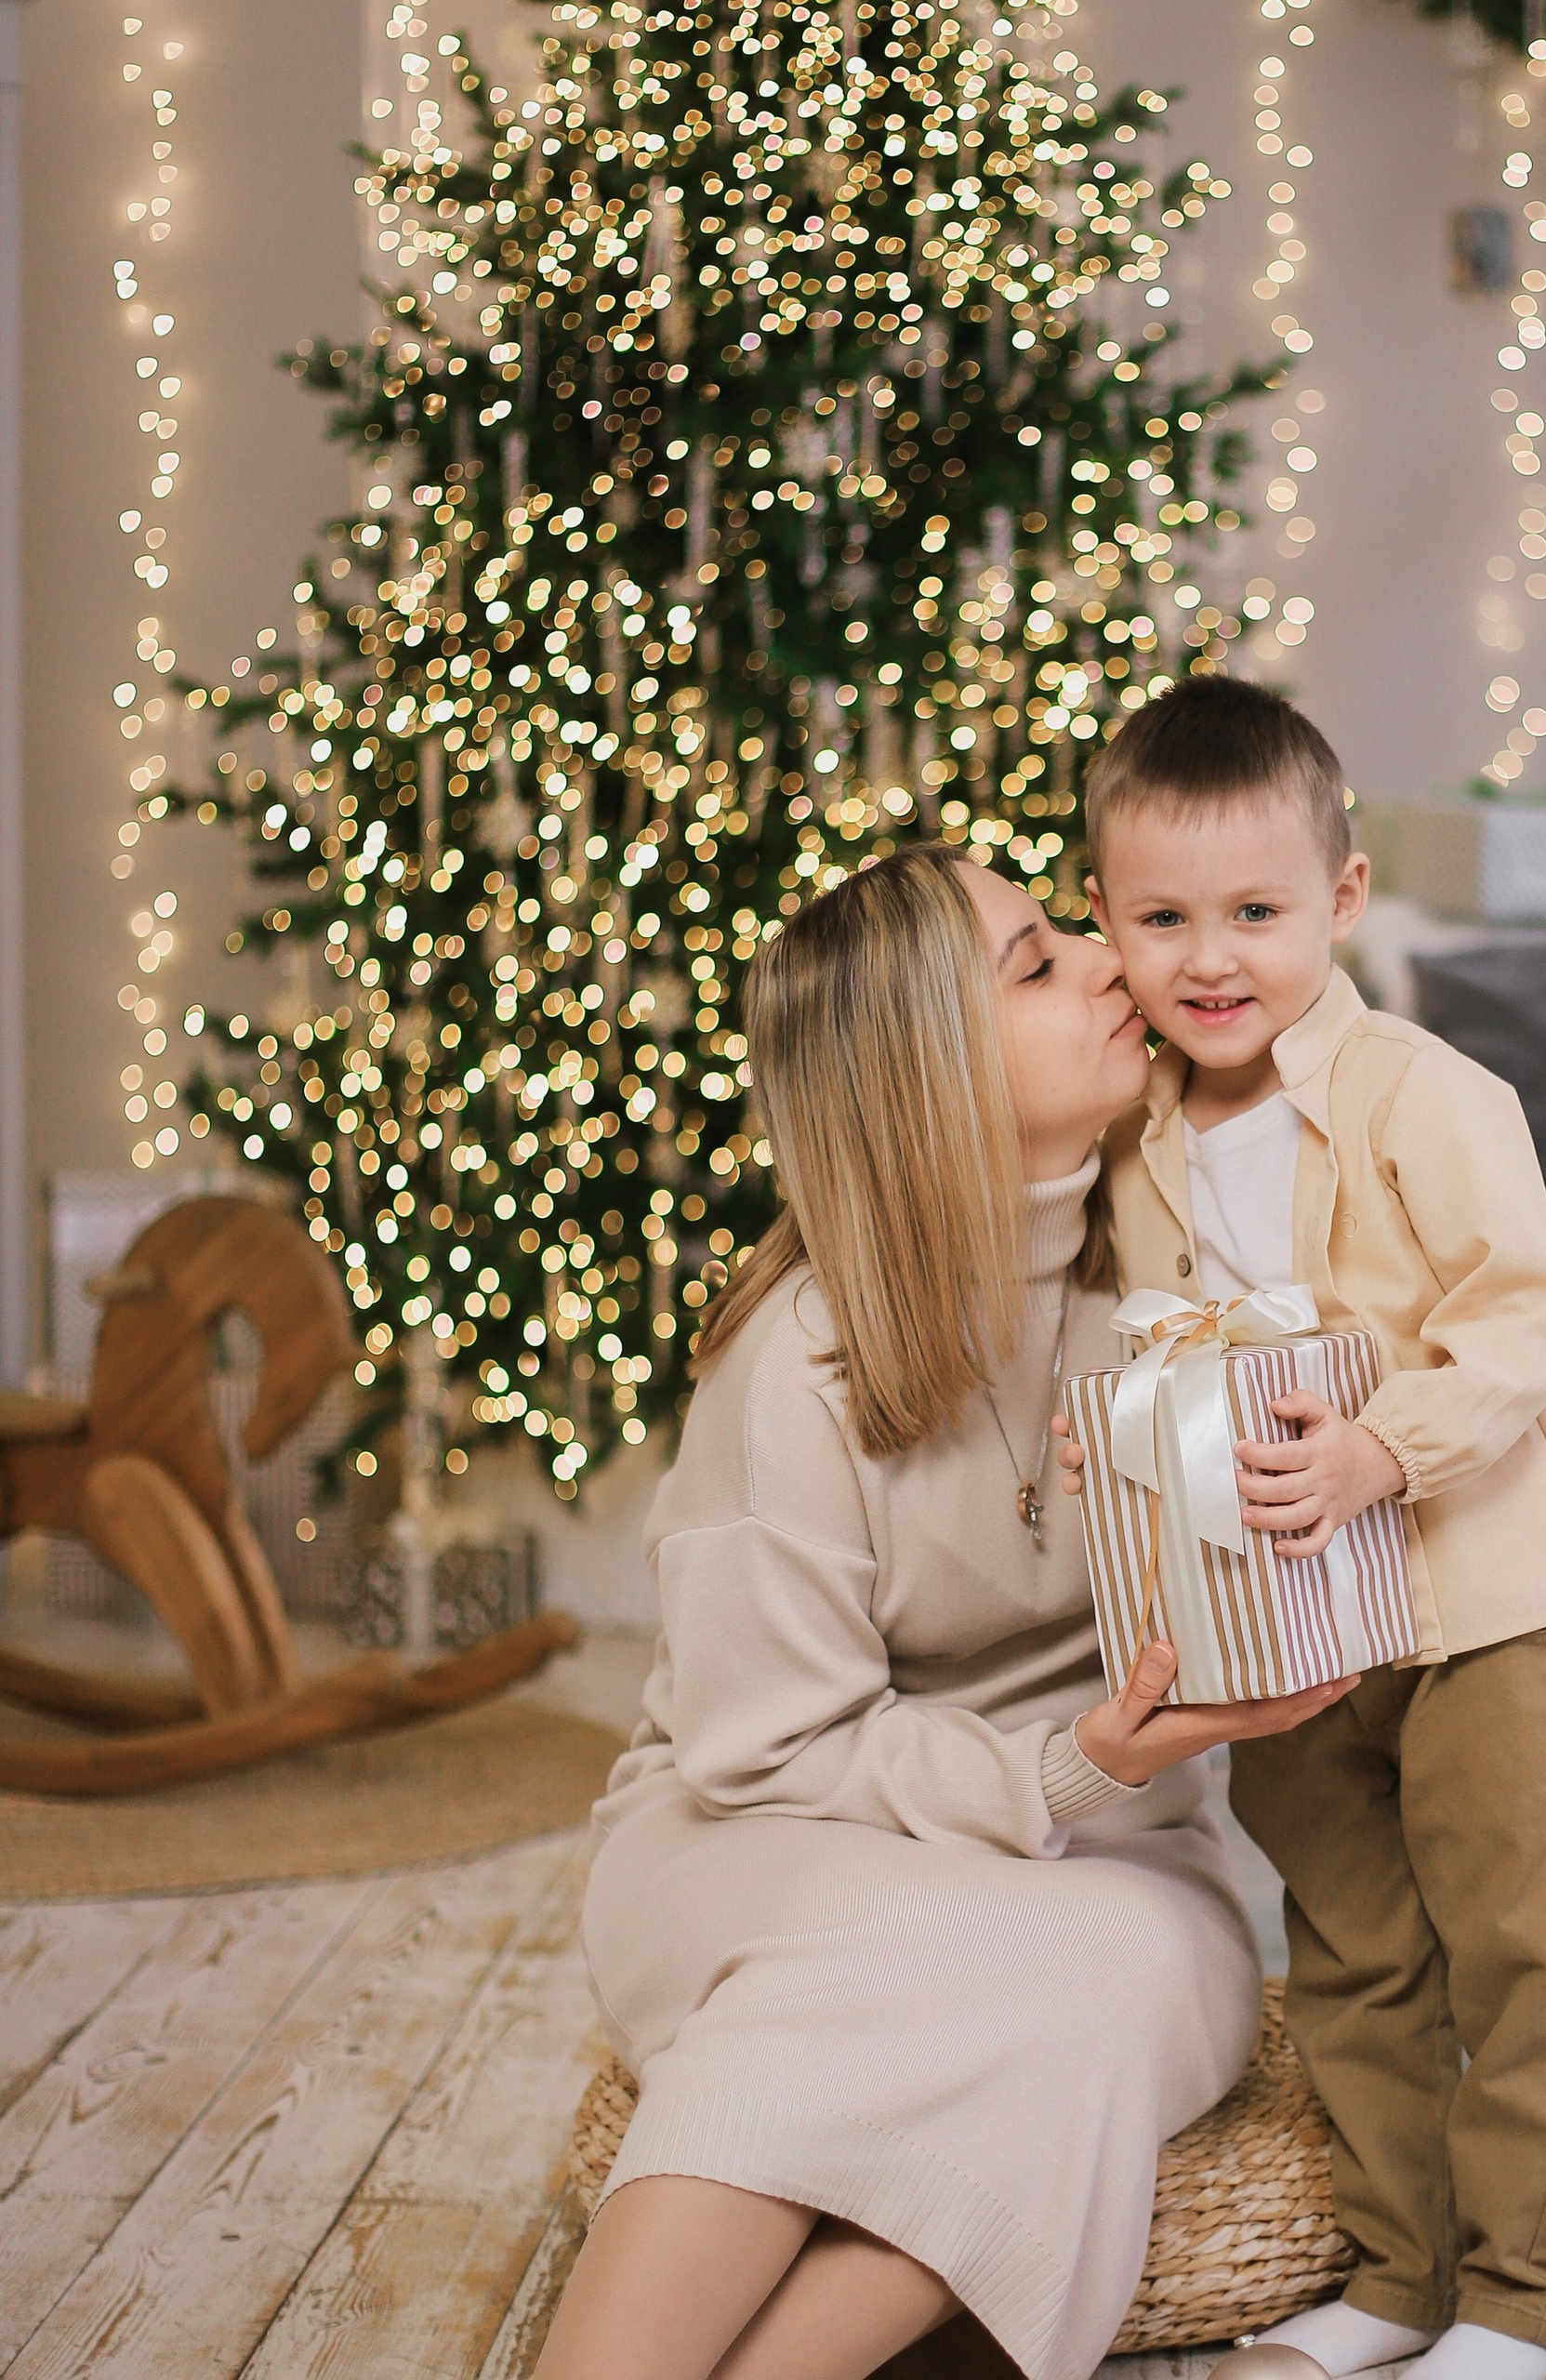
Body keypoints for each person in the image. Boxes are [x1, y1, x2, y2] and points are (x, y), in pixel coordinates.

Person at [541, 846, 1354, 2380]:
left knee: (1110, 1977)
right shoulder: (798, 1361)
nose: (1117, 961)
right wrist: (1071, 1764)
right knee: (925, 1967)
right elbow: (763, 1753)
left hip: (1116, 1865)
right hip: (770, 1836)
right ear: (926, 1069)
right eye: (1039, 963)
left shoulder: (1190, 1276)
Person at [1077, 678, 1546, 2380]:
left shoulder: (1425, 1095)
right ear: (1106, 922)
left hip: (1480, 1597)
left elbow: (1526, 1321)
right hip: (1291, 1631)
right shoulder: (1140, 1141)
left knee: (1524, 1951)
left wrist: (1381, 1451)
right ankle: (1397, 2278)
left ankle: (1523, 2302)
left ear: (1341, 901)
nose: (1212, 958)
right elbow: (1155, 1336)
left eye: (1256, 911)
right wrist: (1111, 1415)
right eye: (1162, 918)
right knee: (1351, 1952)